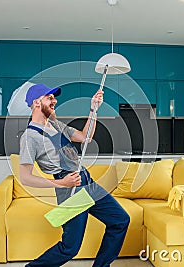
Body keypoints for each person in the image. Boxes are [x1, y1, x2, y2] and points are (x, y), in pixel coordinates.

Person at [19, 83, 130, 267]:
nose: (54, 100)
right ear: (37, 102)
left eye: (54, 97)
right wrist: (62, 183)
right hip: (70, 189)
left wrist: (93, 110)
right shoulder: (30, 137)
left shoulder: (54, 124)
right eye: (50, 97)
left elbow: (85, 137)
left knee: (120, 220)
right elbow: (25, 177)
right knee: (70, 248)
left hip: (87, 182)